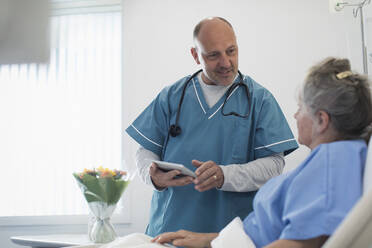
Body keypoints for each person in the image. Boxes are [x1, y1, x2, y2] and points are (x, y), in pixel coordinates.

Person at [150, 57, 372, 248]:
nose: (295, 116)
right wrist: (209, 240)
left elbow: (299, 244)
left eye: (301, 107)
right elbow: (268, 233)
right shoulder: (333, 157)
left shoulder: (335, 161)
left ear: (322, 120)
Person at [125, 17, 298, 236]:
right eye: (214, 55)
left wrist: (225, 175)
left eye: (231, 51)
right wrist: (152, 177)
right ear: (195, 55)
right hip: (169, 229)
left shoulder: (259, 99)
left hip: (228, 235)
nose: (226, 63)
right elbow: (146, 149)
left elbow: (274, 165)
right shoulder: (172, 96)